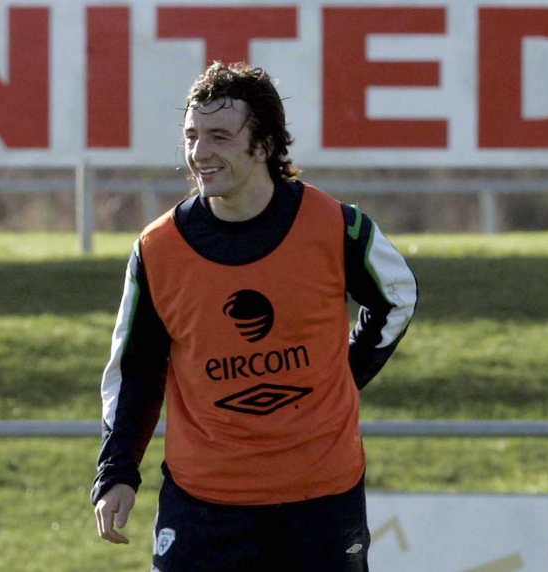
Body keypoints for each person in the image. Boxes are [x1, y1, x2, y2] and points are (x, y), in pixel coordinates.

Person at [91, 61, 418, 572]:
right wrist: (117, 471)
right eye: (192, 136)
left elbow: (397, 295)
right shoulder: (157, 250)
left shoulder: (336, 227)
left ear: (263, 145)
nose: (200, 153)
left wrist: (345, 374)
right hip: (205, 504)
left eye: (220, 136)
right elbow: (134, 369)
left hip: (322, 497)